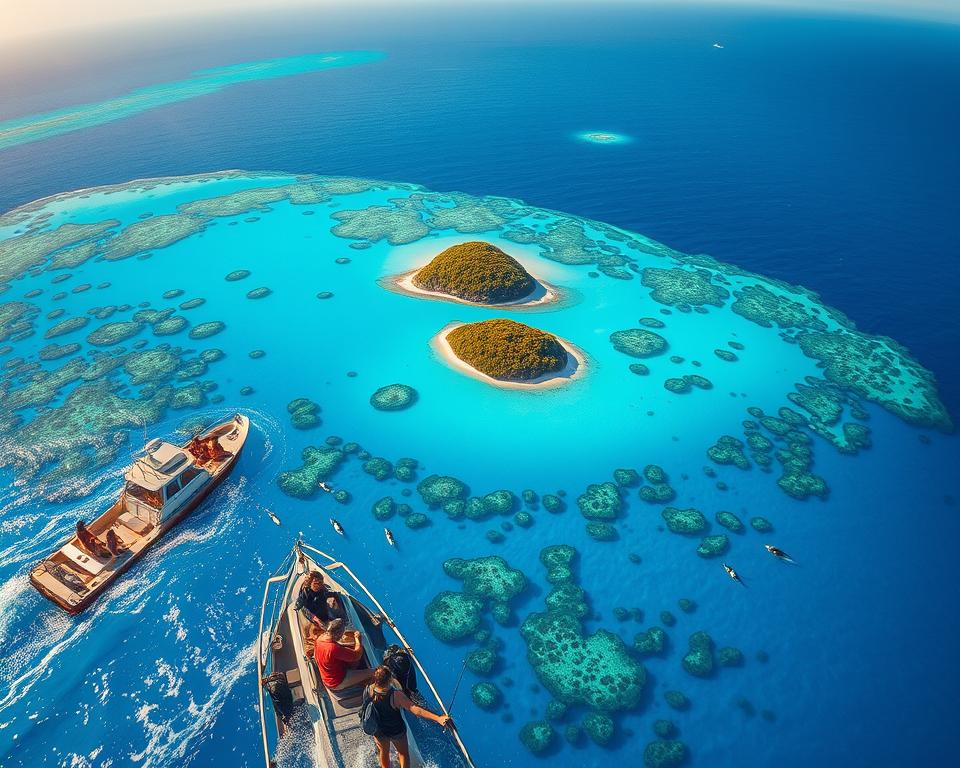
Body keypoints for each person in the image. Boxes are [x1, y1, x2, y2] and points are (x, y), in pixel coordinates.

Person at [363, 665, 451, 768]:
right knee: (403, 754)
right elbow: (416, 710)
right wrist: (438, 718)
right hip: (395, 730)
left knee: (383, 751)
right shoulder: (396, 695)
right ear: (390, 679)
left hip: (378, 729)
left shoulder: (368, 690)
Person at [314, 618, 374, 691]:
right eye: (342, 633)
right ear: (338, 633)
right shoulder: (332, 648)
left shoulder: (320, 639)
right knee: (374, 672)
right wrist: (358, 639)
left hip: (328, 676)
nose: (342, 635)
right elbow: (357, 655)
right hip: (336, 682)